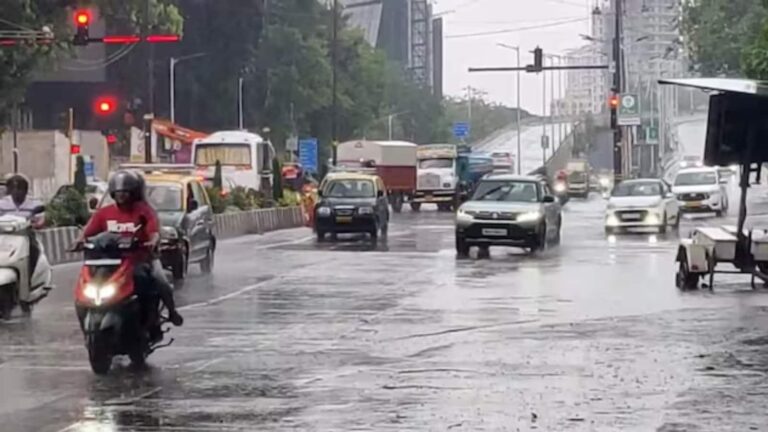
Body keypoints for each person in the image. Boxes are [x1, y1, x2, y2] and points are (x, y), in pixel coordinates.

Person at [77, 170, 184, 327]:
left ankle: (172, 312)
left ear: (133, 193)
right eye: (119, 192)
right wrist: (79, 241)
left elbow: (153, 230)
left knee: (161, 282)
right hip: (110, 263)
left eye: (126, 192)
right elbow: (88, 231)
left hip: (141, 260)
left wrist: (153, 241)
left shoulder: (144, 211)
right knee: (83, 289)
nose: (122, 196)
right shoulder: (104, 213)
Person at [0, 174, 45, 287]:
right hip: (4, 238)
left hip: (25, 237)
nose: (17, 191)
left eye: (20, 188)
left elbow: (41, 219)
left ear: (25, 191)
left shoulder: (35, 204)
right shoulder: (2, 204)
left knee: (34, 250)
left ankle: (28, 278)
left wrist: (37, 224)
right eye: (14, 188)